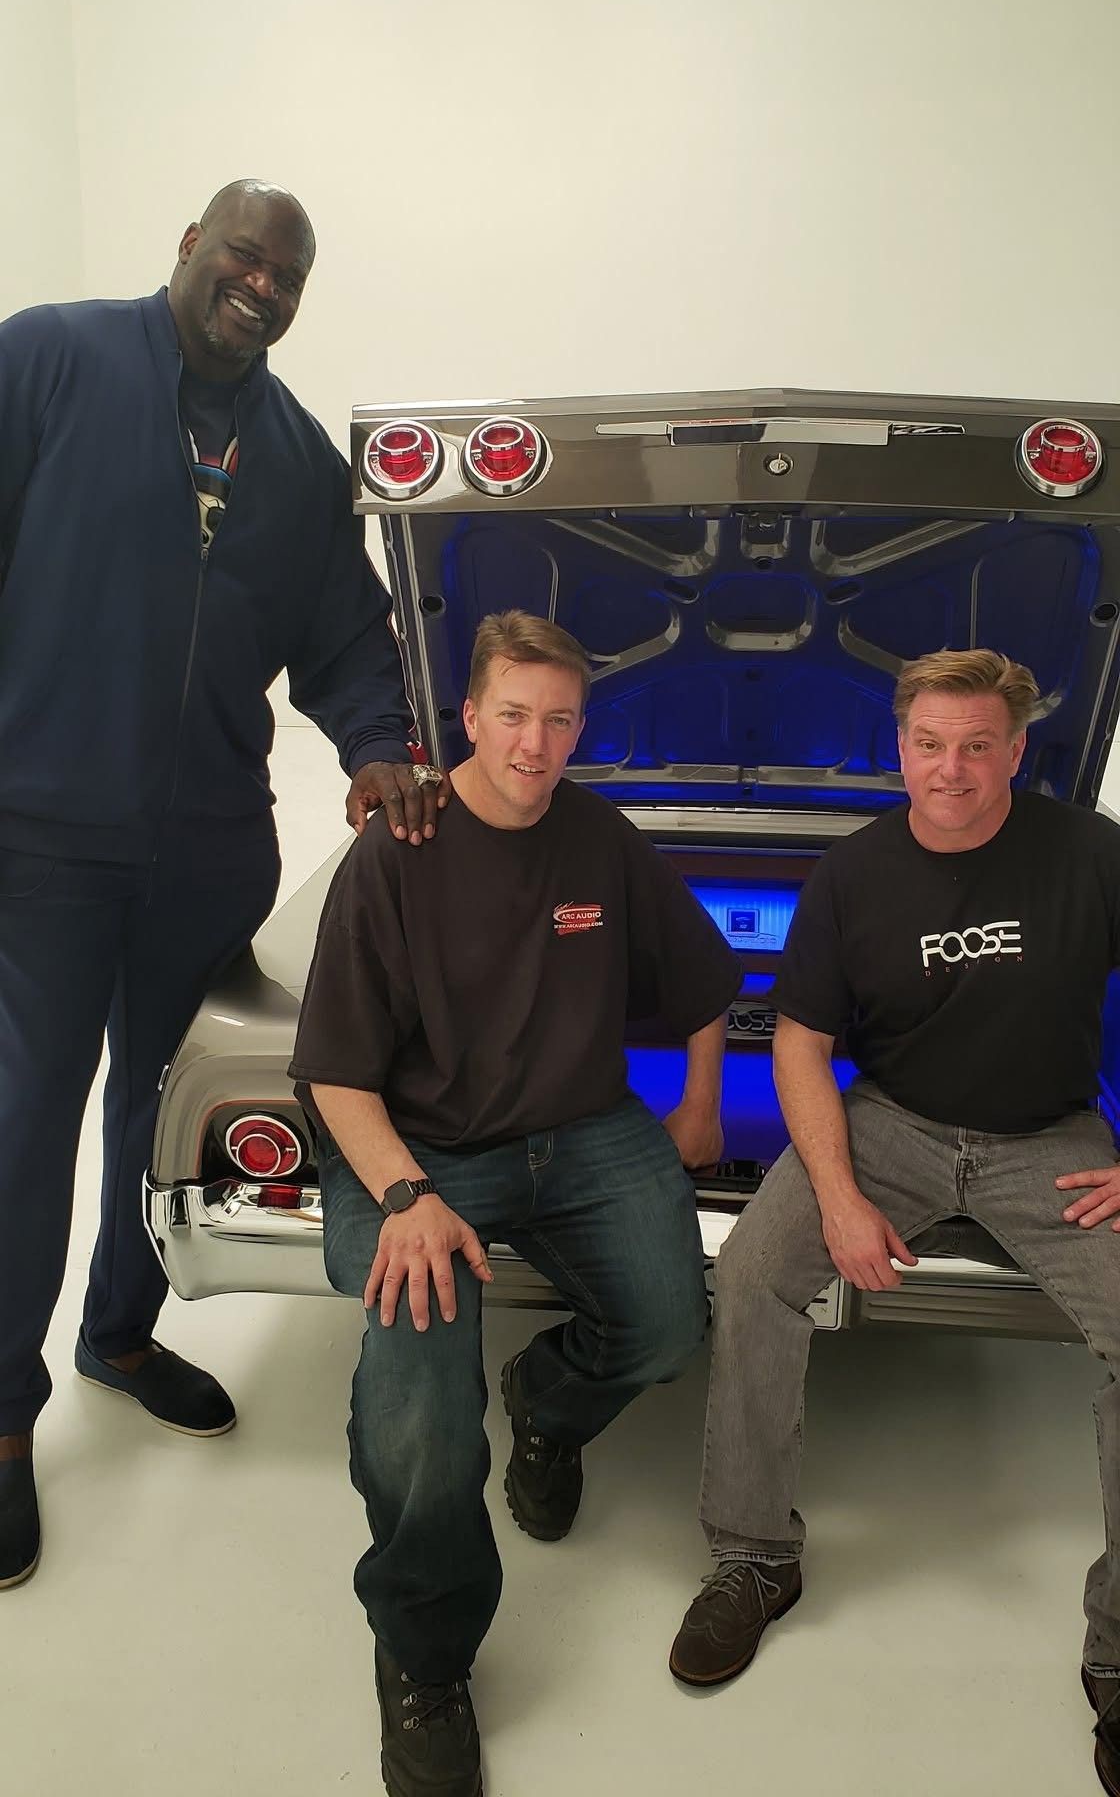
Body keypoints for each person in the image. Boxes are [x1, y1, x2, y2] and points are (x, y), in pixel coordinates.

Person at [0, 180, 447, 1592]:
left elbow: (349, 637)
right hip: (44, 833)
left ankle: (121, 1332)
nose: (261, 285)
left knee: (161, 1105)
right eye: (243, 256)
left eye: (288, 276)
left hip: (203, 842)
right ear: (189, 248)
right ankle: (5, 1428)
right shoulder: (50, 358)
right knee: (23, 1123)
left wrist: (378, 748)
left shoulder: (302, 460)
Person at [289, 609, 743, 1797]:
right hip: (420, 1152)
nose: (534, 743)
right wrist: (405, 1196)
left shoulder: (601, 839)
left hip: (583, 1130)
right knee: (423, 1427)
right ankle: (425, 1661)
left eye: (557, 719)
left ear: (579, 725)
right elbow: (334, 1074)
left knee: (664, 1326)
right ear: (466, 719)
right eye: (511, 716)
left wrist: (697, 1108)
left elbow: (706, 977)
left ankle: (543, 1404)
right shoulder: (396, 849)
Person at [668, 647, 1120, 1797]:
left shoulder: (1088, 852)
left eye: (978, 745)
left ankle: (1116, 1650)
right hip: (897, 1122)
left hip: (1051, 1141)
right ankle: (755, 1557)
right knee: (757, 1275)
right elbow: (804, 1047)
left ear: (1019, 751)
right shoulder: (855, 877)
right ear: (898, 747)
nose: (951, 769)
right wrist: (836, 1194)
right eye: (929, 744)